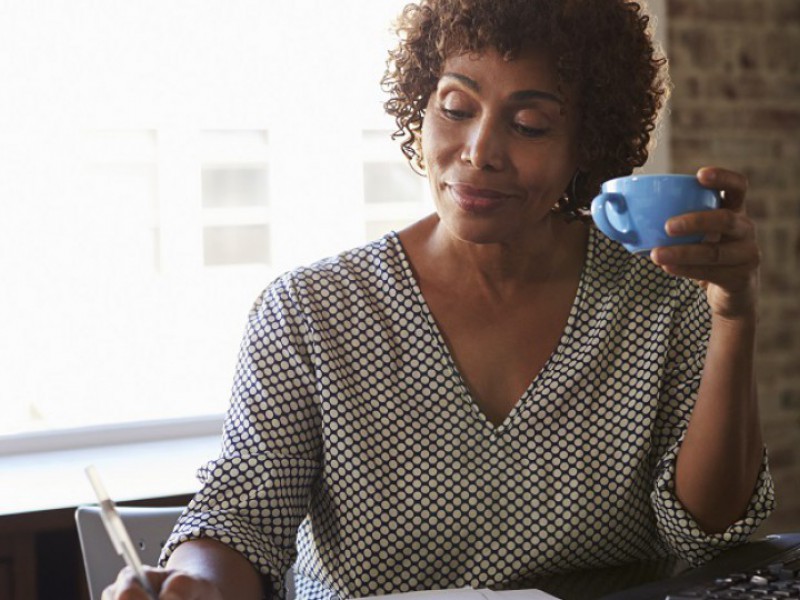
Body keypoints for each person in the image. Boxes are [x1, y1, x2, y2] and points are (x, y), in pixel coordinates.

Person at [106, 1, 775, 598]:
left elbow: (709, 532)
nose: (480, 151)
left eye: (532, 124)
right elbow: (238, 520)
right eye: (456, 108)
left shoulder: (661, 304)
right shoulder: (310, 312)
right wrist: (195, 584)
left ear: (587, 145)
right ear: (419, 109)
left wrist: (734, 314)